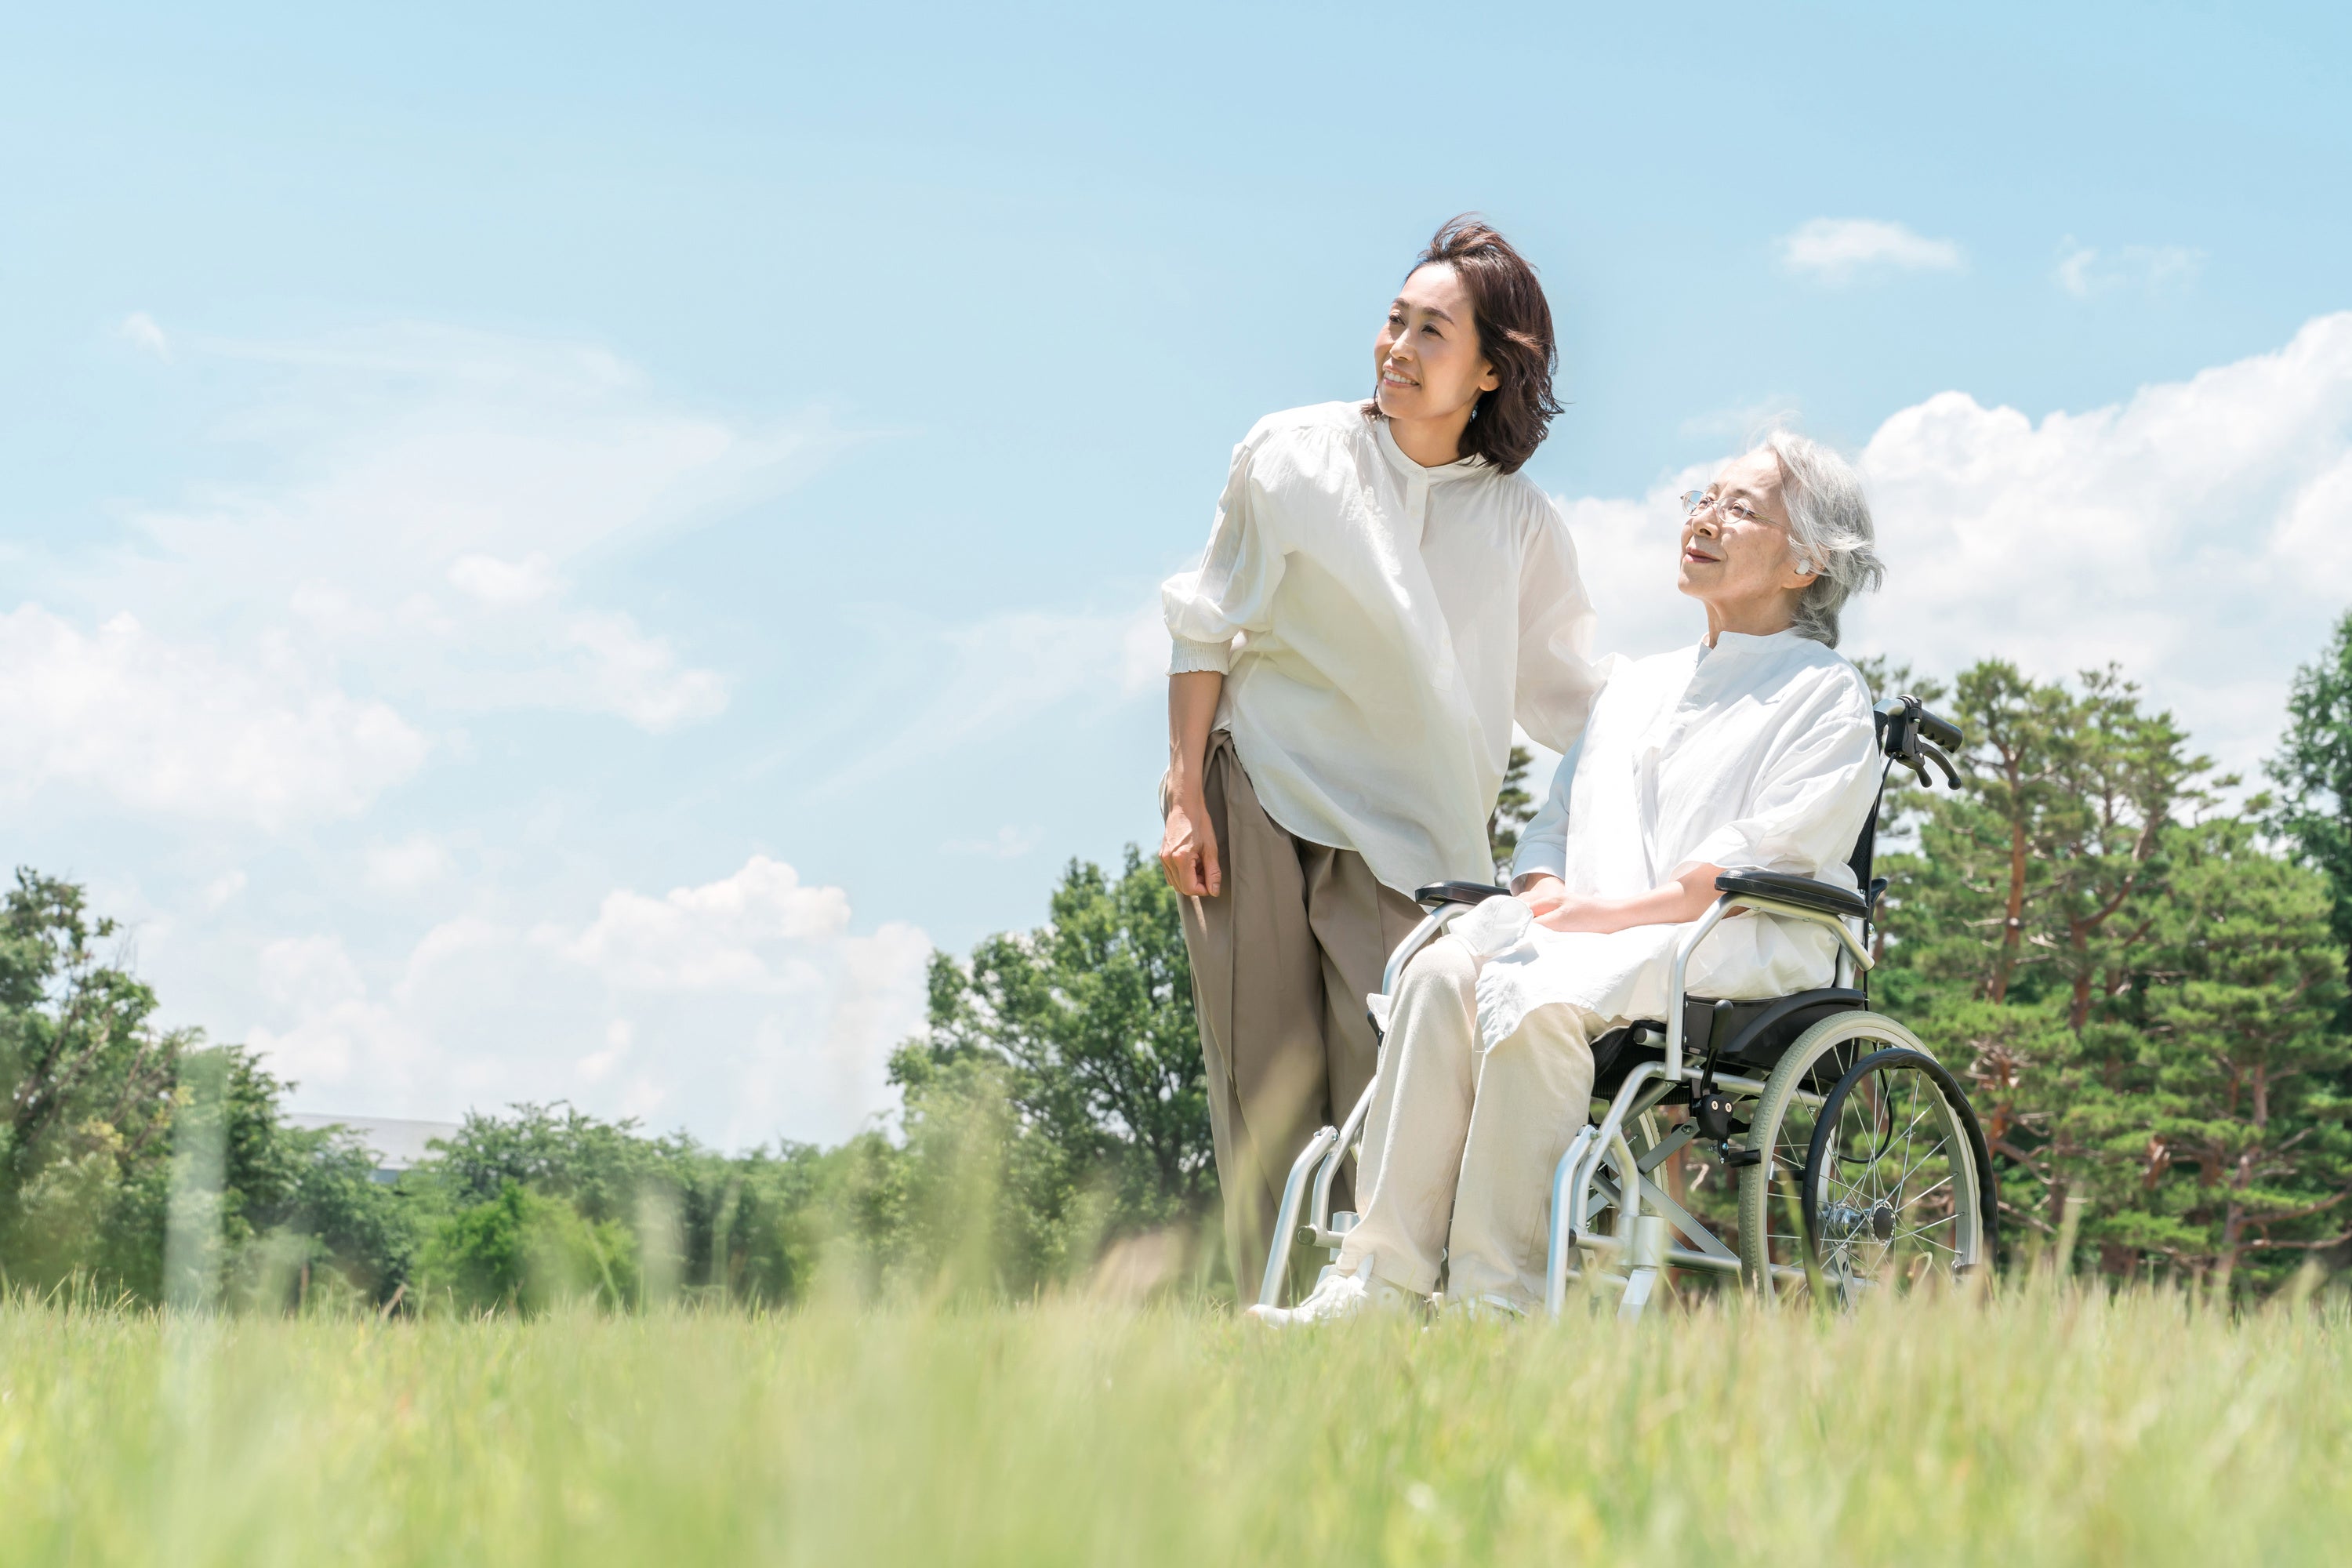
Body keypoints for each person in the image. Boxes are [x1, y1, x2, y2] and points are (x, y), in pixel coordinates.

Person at [1251, 430, 1887, 1324]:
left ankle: (1493, 1297)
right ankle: (1377, 1278)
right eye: (1701, 497)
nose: (1704, 517)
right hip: (1588, 926)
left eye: (1740, 507)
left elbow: (1765, 851)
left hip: (1736, 933)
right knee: (1439, 970)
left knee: (1541, 1001)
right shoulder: (1635, 687)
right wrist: (1545, 885)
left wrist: (1607, 915)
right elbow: (1555, 819)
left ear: (1808, 561)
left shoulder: (1824, 693)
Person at [1159, 216, 1606, 1285]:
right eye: (1394, 320)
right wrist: (1185, 793)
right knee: (1262, 1089)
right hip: (1260, 794)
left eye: (1432, 333)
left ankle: (1380, 1319)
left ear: (1493, 372)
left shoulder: (1520, 526)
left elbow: (1572, 698)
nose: (1397, 347)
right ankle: (1264, 1332)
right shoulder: (1291, 455)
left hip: (1418, 844)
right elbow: (1206, 623)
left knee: (1392, 1098)